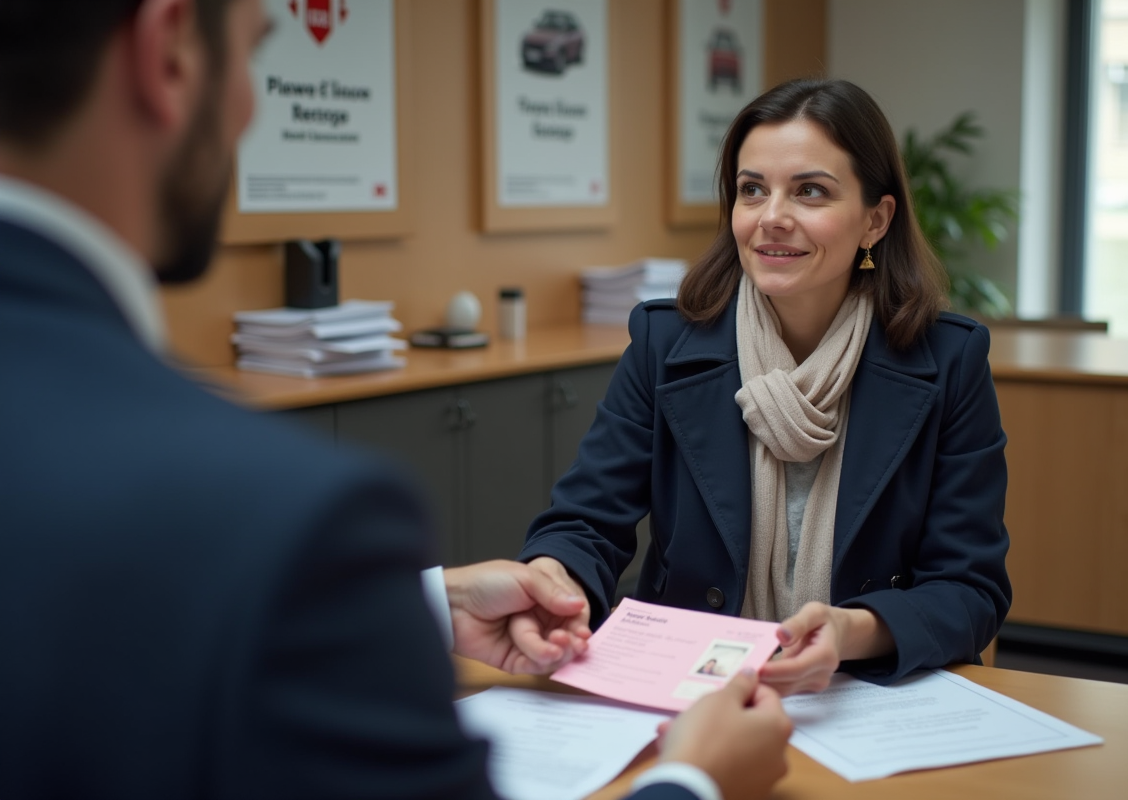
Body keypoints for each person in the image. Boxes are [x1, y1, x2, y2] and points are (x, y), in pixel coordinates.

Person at [0, 1, 793, 799]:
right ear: (169, 51)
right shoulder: (282, 519)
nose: (249, 107)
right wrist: (698, 780)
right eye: (250, 56)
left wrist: (424, 604)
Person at [519, 77, 1012, 694]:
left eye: (810, 191)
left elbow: (970, 590)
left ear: (876, 221)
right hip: (689, 687)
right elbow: (585, 523)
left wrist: (851, 632)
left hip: (859, 693)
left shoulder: (948, 360)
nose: (772, 218)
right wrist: (551, 579)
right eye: (752, 190)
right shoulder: (663, 344)